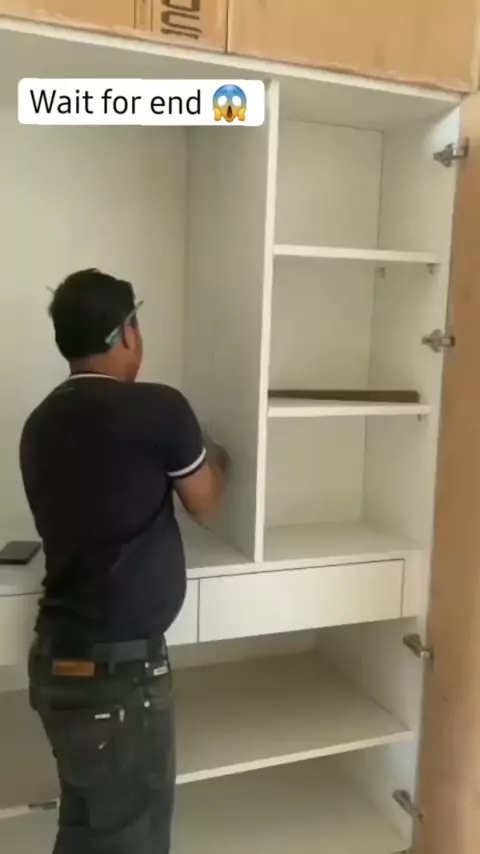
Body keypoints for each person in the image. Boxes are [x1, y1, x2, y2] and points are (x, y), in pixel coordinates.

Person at [19, 268, 228, 854]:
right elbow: (205, 501)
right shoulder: (158, 408)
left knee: (86, 831)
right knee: (131, 840)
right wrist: (218, 457)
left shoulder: (39, 423)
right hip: (117, 683)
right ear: (125, 332)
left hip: (59, 669)